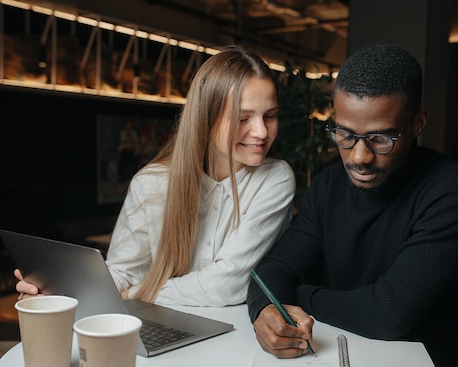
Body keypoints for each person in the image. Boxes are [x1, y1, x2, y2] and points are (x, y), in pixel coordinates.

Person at [247, 44, 458, 367]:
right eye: (345, 134)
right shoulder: (329, 185)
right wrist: (266, 309)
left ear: (418, 123)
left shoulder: (455, 191)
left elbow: (387, 314)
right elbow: (271, 271)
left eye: (381, 138)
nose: (359, 156)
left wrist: (299, 294)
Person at [16, 45, 296, 307]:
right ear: (206, 119)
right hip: (162, 328)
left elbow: (228, 284)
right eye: (243, 118)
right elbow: (123, 272)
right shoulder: (151, 182)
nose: (261, 132)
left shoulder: (275, 179)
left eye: (269, 116)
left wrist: (138, 294)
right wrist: (59, 294)